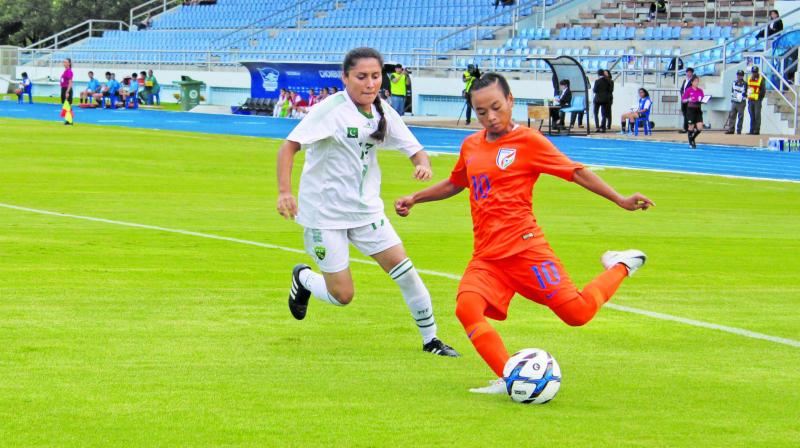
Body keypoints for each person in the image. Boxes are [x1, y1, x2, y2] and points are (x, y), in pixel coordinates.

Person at [393, 72, 652, 394]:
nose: (490, 117)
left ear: (511, 101)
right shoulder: (471, 145)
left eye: (496, 107)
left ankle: (621, 264)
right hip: (487, 256)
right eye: (481, 111)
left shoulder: (528, 141)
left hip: (525, 251)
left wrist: (620, 199)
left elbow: (576, 172)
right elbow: (457, 182)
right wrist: (416, 198)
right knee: (466, 308)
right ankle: (509, 377)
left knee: (578, 314)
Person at [277, 47, 459, 357]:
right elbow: (289, 146)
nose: (370, 83)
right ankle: (304, 278)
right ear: (345, 77)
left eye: (375, 76)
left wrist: (422, 164)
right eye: (361, 77)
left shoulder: (383, 111)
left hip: (366, 212)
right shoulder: (330, 110)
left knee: (406, 273)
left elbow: (415, 148)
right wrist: (284, 192)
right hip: (325, 215)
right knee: (342, 296)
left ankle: (431, 340)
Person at [681, 76, 704, 148]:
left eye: (697, 81)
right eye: (695, 81)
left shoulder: (700, 90)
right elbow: (683, 100)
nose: (697, 82)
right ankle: (691, 143)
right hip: (691, 109)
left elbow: (702, 99)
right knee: (691, 126)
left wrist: (703, 100)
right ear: (692, 82)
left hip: (698, 109)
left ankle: (692, 138)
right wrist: (689, 99)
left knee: (700, 127)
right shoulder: (688, 90)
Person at [724, 70, 747, 135]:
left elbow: (745, 92)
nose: (739, 76)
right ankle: (731, 129)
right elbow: (732, 90)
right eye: (738, 75)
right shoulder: (734, 82)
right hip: (734, 101)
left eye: (740, 75)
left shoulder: (744, 83)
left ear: (742, 76)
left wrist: (742, 97)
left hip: (741, 102)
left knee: (740, 116)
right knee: (732, 115)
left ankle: (739, 130)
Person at [746, 66, 766, 135]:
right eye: (753, 72)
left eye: (755, 72)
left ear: (757, 72)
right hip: (750, 100)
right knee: (752, 116)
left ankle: (756, 130)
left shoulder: (761, 79)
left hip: (757, 100)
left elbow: (763, 90)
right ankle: (751, 130)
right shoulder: (749, 79)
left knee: (757, 115)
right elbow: (747, 88)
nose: (754, 73)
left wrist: (759, 98)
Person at [592, 69, 612, 133]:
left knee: (596, 113)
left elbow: (594, 90)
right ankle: (603, 128)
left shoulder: (597, 81)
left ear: (598, 74)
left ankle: (597, 127)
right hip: (605, 99)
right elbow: (610, 90)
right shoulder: (608, 81)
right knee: (604, 114)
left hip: (597, 99)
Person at [679, 67, 696, 133]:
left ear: (692, 73)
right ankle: (686, 128)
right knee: (685, 114)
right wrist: (682, 94)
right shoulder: (685, 80)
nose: (688, 74)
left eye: (689, 72)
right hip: (684, 100)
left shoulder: (693, 81)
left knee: (690, 114)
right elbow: (681, 89)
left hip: (689, 100)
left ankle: (691, 128)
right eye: (687, 72)